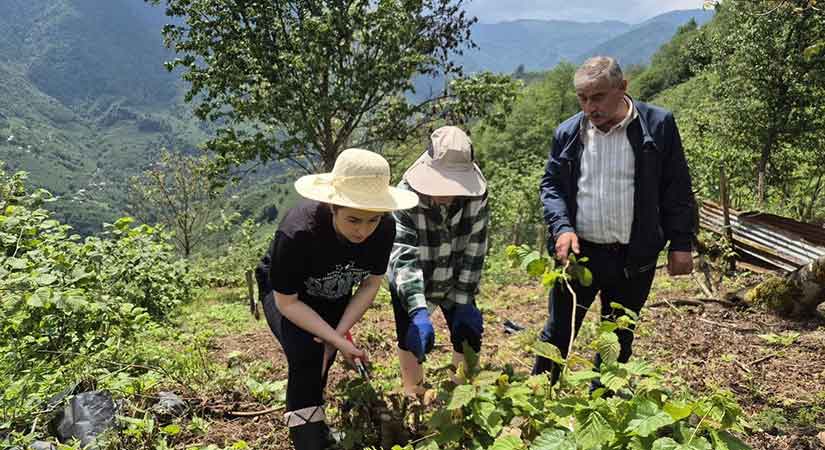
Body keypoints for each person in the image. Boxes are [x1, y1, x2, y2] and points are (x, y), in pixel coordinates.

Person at [534, 56, 696, 385]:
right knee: (558, 332)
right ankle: (538, 400)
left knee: (618, 336)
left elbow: (676, 186)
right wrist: (562, 227)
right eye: (582, 98)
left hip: (634, 258)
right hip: (579, 256)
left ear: (623, 88)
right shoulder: (569, 132)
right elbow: (551, 186)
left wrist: (681, 243)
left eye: (598, 96)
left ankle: (603, 403)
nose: (590, 107)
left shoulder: (658, 125)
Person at [255, 148, 418, 450]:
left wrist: (338, 335)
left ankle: (316, 424)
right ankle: (310, 442)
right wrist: (337, 340)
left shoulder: (384, 228)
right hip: (289, 294)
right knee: (306, 353)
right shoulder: (298, 232)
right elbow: (287, 303)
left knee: (325, 353)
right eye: (354, 220)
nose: (363, 231)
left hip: (334, 292)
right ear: (333, 206)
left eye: (372, 221)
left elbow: (370, 284)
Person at [387, 126, 489, 396]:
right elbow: (404, 257)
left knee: (468, 336)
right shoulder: (405, 197)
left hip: (456, 277)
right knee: (410, 338)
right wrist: (417, 311)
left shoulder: (478, 195)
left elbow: (475, 246)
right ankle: (413, 395)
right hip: (415, 277)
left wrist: (465, 298)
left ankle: (460, 398)